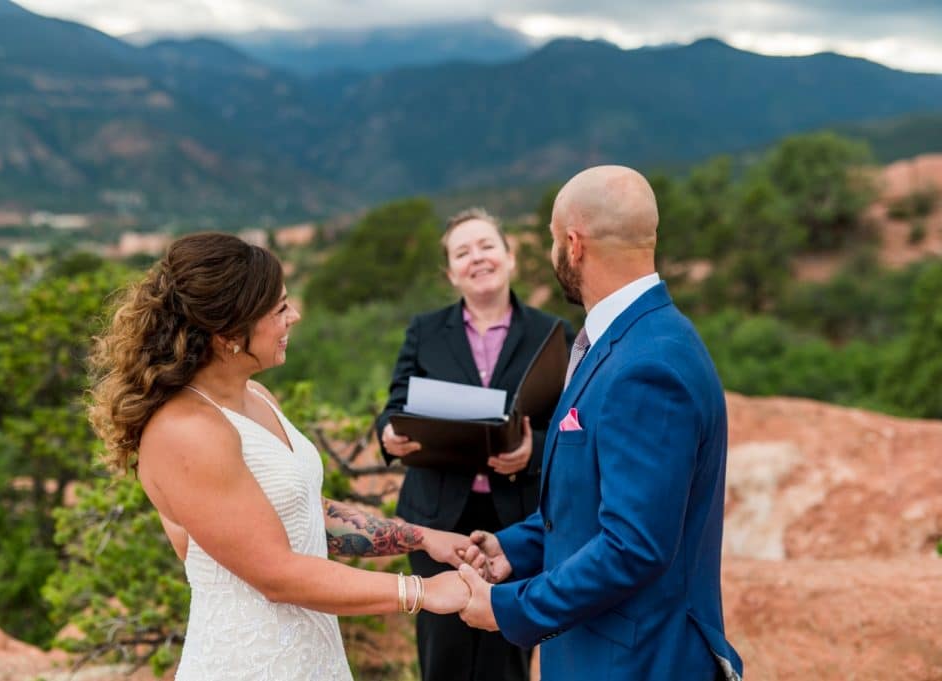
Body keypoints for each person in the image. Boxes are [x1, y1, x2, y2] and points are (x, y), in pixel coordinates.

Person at [88, 232, 471, 681]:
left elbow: (302, 514)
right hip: (249, 663)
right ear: (229, 333)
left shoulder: (258, 397)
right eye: (280, 309)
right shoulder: (185, 433)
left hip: (312, 655)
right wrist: (421, 591)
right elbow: (276, 574)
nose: (295, 316)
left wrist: (421, 538)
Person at [457, 167, 744, 681]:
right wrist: (514, 548)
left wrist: (510, 608)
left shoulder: (646, 367)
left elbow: (633, 547)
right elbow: (597, 507)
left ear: (573, 244)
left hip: (635, 662)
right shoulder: (631, 338)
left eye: (552, 239)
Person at [376, 208, 575, 681]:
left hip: (518, 522)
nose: (477, 258)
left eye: (486, 246)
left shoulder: (553, 333)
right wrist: (388, 433)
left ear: (510, 258)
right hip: (437, 515)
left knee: (506, 652)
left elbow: (571, 425)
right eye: (462, 252)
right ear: (450, 272)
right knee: (441, 650)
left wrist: (535, 450)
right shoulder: (424, 330)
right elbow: (395, 405)